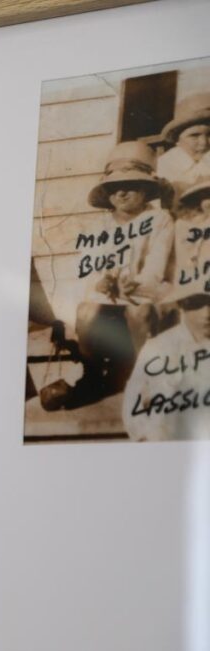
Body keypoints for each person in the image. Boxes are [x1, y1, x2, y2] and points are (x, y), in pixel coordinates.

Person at [51, 141, 174, 409]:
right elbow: (88, 266)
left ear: (146, 190)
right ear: (107, 194)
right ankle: (93, 375)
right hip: (107, 297)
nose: (122, 192)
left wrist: (135, 282)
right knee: (85, 311)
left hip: (146, 293)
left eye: (131, 185)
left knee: (138, 313)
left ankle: (145, 377)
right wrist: (101, 279)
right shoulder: (99, 226)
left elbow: (156, 265)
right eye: (114, 187)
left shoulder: (159, 220)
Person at [122, 274, 210, 442]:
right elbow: (133, 402)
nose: (206, 313)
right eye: (197, 304)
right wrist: (148, 437)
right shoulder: (159, 347)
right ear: (182, 304)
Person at [157, 93, 210, 202]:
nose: (204, 142)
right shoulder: (167, 163)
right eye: (194, 136)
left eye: (209, 135)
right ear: (177, 140)